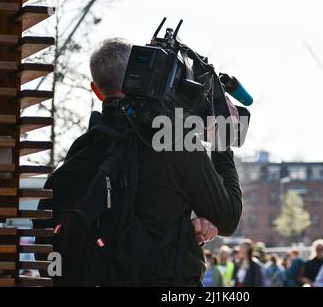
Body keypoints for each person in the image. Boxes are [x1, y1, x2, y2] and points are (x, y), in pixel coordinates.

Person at [66, 38, 243, 286]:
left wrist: (183, 226)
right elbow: (228, 218)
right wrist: (223, 142)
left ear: (96, 90)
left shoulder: (86, 146)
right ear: (147, 76)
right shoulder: (172, 140)